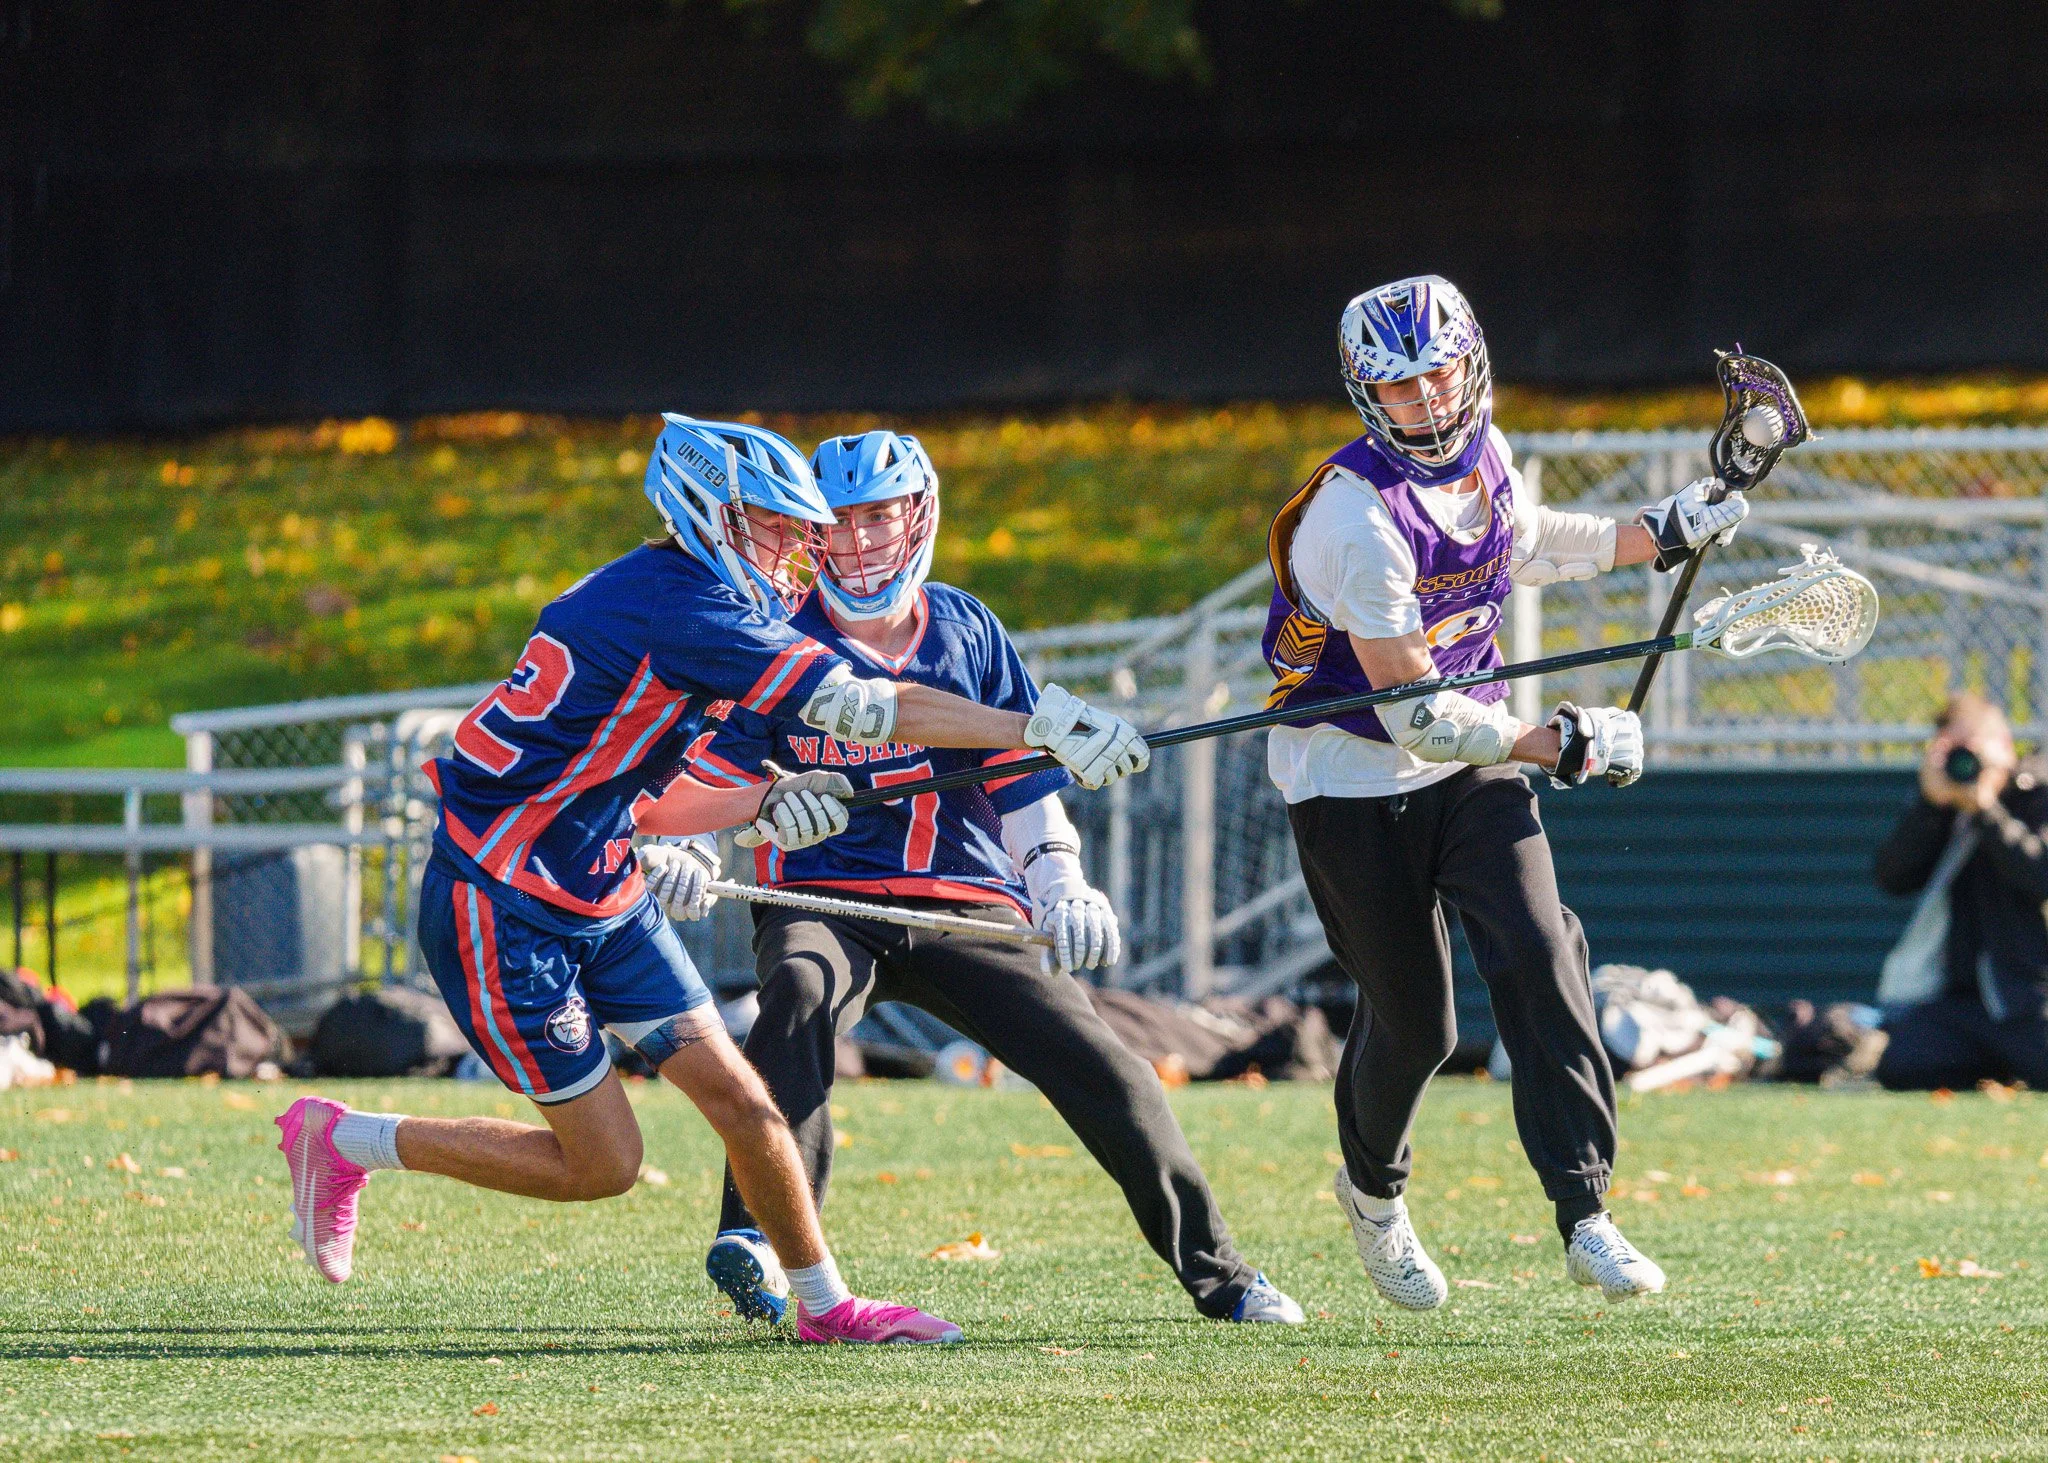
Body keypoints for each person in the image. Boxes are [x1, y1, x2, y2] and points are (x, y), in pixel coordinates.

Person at [273, 414, 1149, 1345]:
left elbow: (650, 799)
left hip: (599, 879)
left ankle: (826, 1307)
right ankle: (343, 1141)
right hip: (501, 899)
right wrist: (1035, 727)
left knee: (744, 1098)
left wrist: (762, 800)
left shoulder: (674, 594)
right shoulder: (689, 607)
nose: (801, 552)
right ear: (711, 515)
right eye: (777, 526)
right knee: (603, 1165)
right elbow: (868, 705)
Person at [637, 428, 1304, 1327]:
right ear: (808, 529)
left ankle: (1221, 1276)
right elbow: (714, 779)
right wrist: (694, 850)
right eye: (839, 520)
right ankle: (758, 1238)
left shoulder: (967, 627)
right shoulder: (773, 636)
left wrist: (1061, 879)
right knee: (795, 994)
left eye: (879, 515)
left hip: (970, 904)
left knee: (1110, 1069)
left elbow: (1023, 779)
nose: (861, 539)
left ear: (918, 515)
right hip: (825, 901)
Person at [1260, 276, 1753, 1307]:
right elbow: (1413, 712)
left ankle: (1584, 1212)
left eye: (1439, 374)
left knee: (1540, 951)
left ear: (1470, 363)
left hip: (1469, 765)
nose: (1428, 403)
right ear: (1364, 396)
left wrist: (1655, 529)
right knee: (1418, 1025)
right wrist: (1553, 740)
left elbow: (1522, 542)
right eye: (1399, 389)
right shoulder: (1351, 518)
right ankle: (1372, 1193)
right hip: (1350, 773)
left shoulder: (1487, 455)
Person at [1871, 693, 2048, 1090]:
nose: (1963, 761)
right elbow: (1891, 878)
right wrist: (1930, 806)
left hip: (2029, 996)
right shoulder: (1944, 804)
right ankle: (1995, 1067)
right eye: (1952, 749)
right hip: (1960, 1002)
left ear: (2002, 743)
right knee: (1900, 1066)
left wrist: (1987, 811)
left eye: (1971, 747)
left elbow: (2041, 874)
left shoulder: (2037, 793)